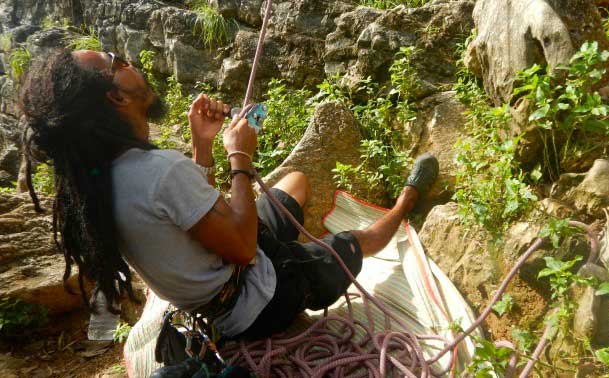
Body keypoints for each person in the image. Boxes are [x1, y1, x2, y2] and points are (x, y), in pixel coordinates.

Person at [20, 49, 439, 341]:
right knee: (357, 242)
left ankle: (298, 245)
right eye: (119, 63)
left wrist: (201, 147)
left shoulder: (105, 179)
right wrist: (239, 155)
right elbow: (239, 246)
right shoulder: (158, 171)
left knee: (294, 183)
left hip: (226, 288)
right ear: (116, 96)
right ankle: (405, 203)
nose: (130, 64)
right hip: (258, 300)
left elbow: (186, 219)